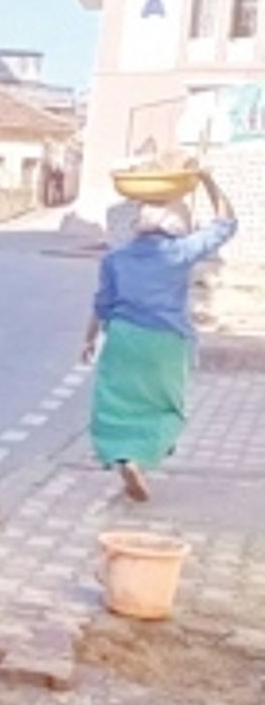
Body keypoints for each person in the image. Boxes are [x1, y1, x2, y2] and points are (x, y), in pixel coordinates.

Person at [82, 170, 237, 502]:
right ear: (175, 224)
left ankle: (124, 456)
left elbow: (102, 304)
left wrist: (89, 340)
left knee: (115, 405)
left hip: (123, 339)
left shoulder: (115, 258)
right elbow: (227, 224)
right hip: (164, 341)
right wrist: (208, 180)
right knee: (165, 407)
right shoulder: (180, 252)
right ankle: (142, 458)